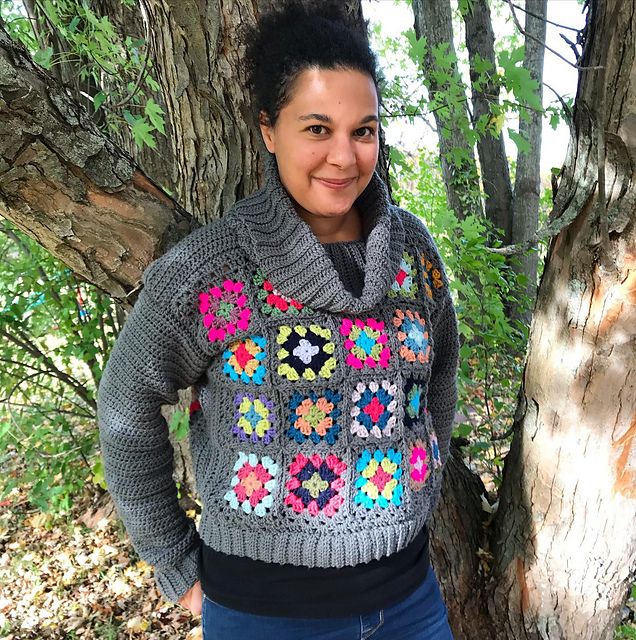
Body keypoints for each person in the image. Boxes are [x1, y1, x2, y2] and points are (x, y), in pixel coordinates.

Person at [97, 3, 459, 639]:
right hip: (264, 615)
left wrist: (417, 481)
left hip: (410, 602)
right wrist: (176, 564)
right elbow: (126, 402)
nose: (344, 156)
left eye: (364, 130)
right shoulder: (214, 270)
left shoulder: (413, 253)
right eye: (317, 129)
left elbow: (443, 372)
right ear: (268, 131)